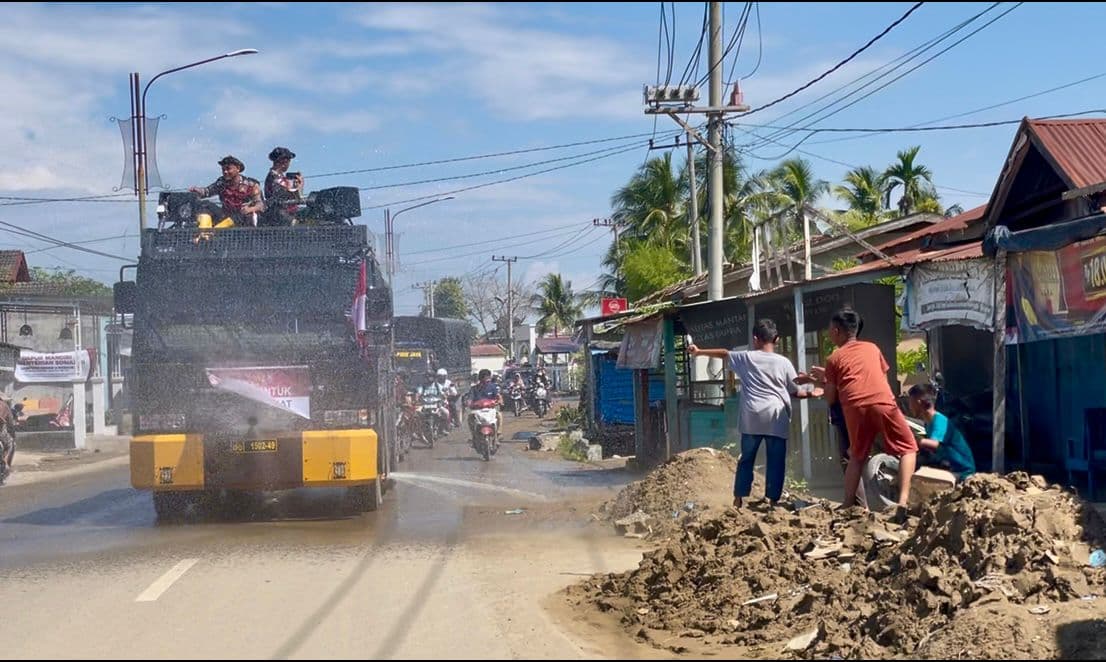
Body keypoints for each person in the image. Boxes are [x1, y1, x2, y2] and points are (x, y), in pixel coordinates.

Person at [689, 319, 822, 508]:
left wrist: (700, 351)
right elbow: (795, 392)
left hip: (752, 417)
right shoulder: (784, 362)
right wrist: (812, 392)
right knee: (776, 460)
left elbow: (725, 354)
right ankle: (772, 498)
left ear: (755, 339)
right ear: (776, 339)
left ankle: (739, 497)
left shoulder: (747, 357)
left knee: (747, 458)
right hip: (776, 416)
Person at [815, 308, 918, 509]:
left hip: (854, 407)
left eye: (829, 330)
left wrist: (821, 382)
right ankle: (903, 501)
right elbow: (882, 378)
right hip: (882, 402)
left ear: (837, 331)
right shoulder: (873, 348)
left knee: (856, 456)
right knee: (908, 448)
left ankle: (847, 503)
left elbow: (830, 397)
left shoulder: (834, 358)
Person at [908, 383, 976, 481]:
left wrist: (913, 439)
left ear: (918, 402)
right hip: (948, 467)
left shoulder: (939, 420)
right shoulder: (928, 423)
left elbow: (934, 444)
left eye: (910, 402)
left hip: (962, 472)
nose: (909, 407)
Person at [190, 156, 265, 227]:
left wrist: (250, 209)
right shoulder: (221, 183)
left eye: (228, 169)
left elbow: (261, 205)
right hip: (225, 216)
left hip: (242, 218)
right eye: (223, 170)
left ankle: (215, 231)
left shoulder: (251, 185)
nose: (225, 172)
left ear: (238, 168)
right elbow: (207, 191)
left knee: (248, 215)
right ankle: (204, 232)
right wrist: (197, 190)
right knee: (206, 205)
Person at [263, 146, 304, 226]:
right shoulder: (273, 177)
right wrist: (299, 187)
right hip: (280, 214)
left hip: (287, 211)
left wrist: (296, 187)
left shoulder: (280, 177)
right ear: (283, 161)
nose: (289, 163)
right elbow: (283, 196)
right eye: (288, 161)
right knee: (300, 225)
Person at [468, 368, 503, 438]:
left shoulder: (493, 387)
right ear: (480, 378)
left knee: (499, 415)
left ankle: (498, 432)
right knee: (470, 417)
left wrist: (500, 401)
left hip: (490, 409)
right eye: (484, 377)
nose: (487, 379)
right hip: (478, 410)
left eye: (488, 376)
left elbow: (498, 396)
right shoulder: (474, 388)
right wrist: (469, 403)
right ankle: (473, 435)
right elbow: (470, 399)